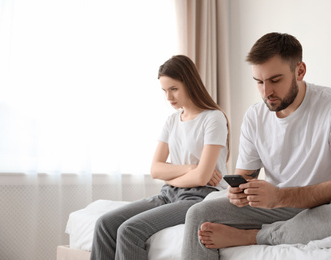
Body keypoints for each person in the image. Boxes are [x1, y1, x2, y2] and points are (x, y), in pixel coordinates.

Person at [181, 32, 331, 260]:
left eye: (275, 80)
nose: (266, 92)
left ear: (300, 71)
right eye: (259, 82)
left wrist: (280, 196)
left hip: (326, 207)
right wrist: (239, 193)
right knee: (198, 214)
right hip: (276, 207)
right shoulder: (254, 117)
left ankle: (255, 236)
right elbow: (243, 177)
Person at [90, 55, 230, 260]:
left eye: (174, 89)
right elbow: (156, 169)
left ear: (190, 83)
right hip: (168, 194)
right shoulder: (172, 120)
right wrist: (190, 168)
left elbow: (202, 179)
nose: (169, 97)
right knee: (104, 224)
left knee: (129, 230)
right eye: (165, 91)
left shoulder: (213, 118)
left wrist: (174, 173)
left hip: (198, 197)